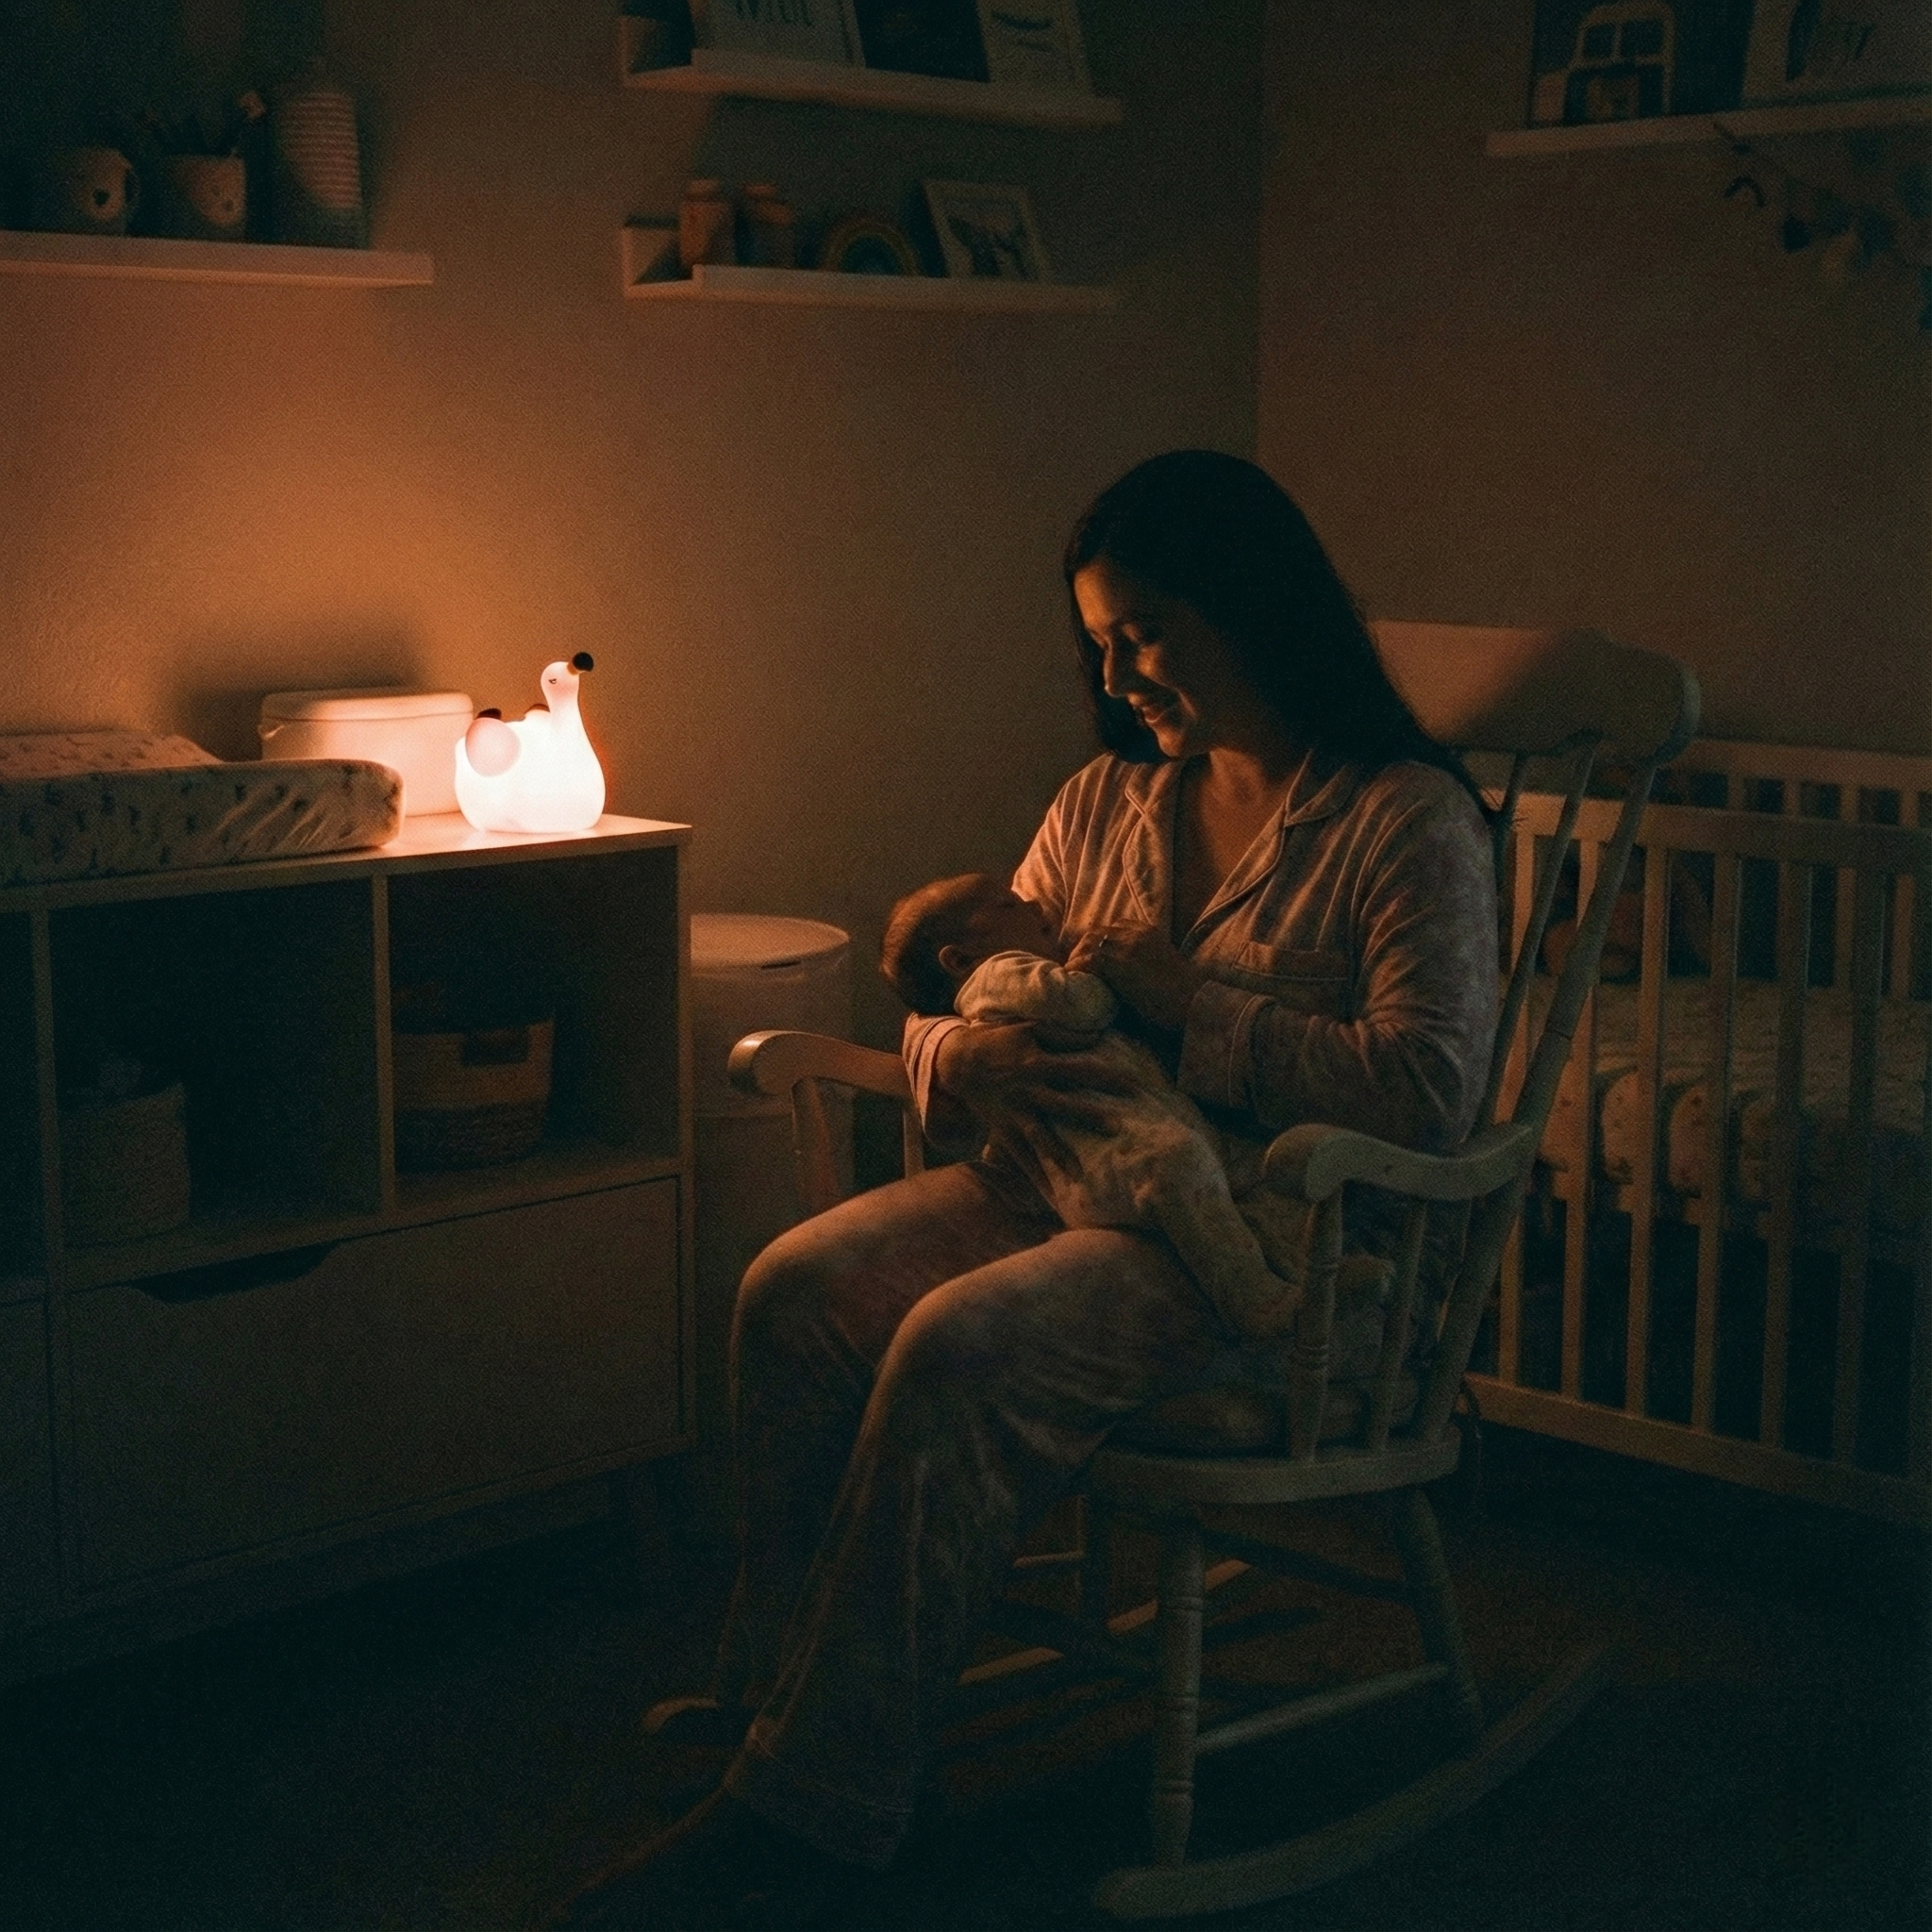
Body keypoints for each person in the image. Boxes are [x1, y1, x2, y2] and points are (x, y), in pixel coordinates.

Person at [554, 450, 1500, 1929]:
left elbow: (1431, 1099)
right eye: (1101, 644)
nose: (1120, 676)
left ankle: (819, 1813)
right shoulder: (1110, 805)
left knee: (962, 1346)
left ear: (1248, 604)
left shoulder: (1404, 823)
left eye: (1144, 634)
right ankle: (785, 1714)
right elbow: (984, 985)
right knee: (795, 1292)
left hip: (1275, 1242)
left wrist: (1192, 1003)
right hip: (1061, 1178)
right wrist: (958, 1063)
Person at [878, 868, 1305, 1340]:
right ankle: (1258, 1302)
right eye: (1008, 906)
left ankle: (1310, 1271)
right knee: (1182, 1168)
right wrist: (1096, 972)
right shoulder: (998, 975)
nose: (1037, 906)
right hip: (1108, 1155)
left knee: (1240, 1174)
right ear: (960, 959)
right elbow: (1081, 1007)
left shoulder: (1009, 969)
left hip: (1137, 1132)